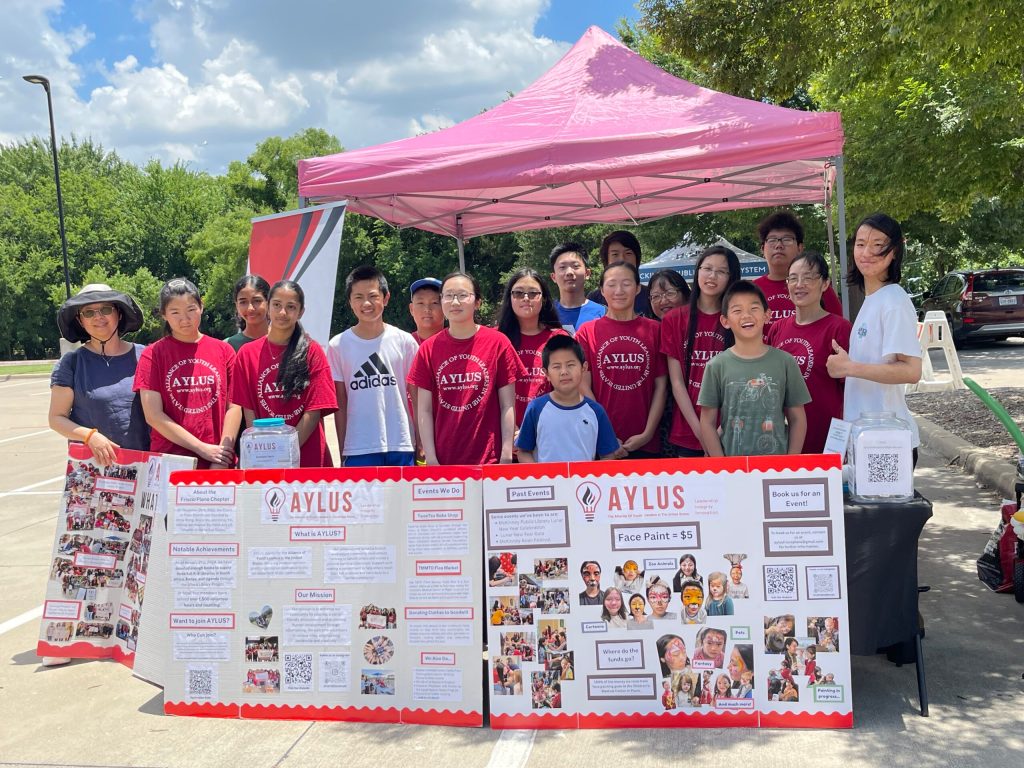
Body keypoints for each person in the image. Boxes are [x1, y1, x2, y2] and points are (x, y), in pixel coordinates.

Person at [827, 212, 923, 463]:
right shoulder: (874, 299)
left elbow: (911, 371)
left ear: (894, 252)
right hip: (869, 438)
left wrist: (850, 367)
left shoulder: (893, 300)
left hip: (888, 441)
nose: (866, 252)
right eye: (860, 244)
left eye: (878, 245)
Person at [408, 272, 524, 465]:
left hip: (491, 459)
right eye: (448, 295)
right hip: (444, 462)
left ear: (477, 302)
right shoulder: (428, 349)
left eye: (463, 295)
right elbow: (425, 410)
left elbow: (507, 405)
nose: (455, 302)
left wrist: (505, 455)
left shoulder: (498, 343)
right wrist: (431, 458)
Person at [134, 278, 239, 468]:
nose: (185, 319)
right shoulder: (153, 354)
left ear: (201, 306)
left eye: (191, 310)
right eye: (175, 312)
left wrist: (223, 455)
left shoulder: (224, 351)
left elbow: (235, 406)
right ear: (164, 314)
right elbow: (153, 415)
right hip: (171, 462)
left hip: (218, 460)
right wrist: (201, 448)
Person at [698, 281, 810, 457]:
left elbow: (797, 418)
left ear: (767, 315)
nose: (746, 315)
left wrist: (791, 462)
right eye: (737, 310)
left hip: (777, 469)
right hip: (732, 470)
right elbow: (707, 421)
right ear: (725, 321)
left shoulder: (786, 362)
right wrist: (721, 465)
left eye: (754, 308)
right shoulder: (716, 366)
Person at [232, 280, 337, 467]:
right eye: (277, 305)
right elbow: (250, 412)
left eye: (291, 307)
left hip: (307, 459)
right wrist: (267, 454)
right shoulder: (246, 354)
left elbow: (313, 413)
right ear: (268, 306)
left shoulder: (312, 352)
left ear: (301, 311)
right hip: (264, 461)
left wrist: (286, 453)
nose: (282, 312)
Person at [49, 284, 150, 466]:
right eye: (88, 312)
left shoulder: (146, 356)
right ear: (80, 321)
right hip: (96, 468)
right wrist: (90, 436)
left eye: (105, 309)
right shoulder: (71, 364)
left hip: (144, 464)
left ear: (119, 314)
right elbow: (56, 418)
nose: (98, 317)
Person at [327, 266, 418, 466]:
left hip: (401, 443)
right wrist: (343, 449)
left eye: (373, 296)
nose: (366, 303)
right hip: (358, 448)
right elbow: (339, 404)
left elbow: (417, 398)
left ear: (385, 298)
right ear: (350, 302)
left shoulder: (405, 342)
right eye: (358, 297)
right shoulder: (338, 346)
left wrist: (420, 442)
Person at [576, 261, 667, 458]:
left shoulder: (654, 330)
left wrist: (648, 433)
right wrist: (607, 435)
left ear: (637, 288)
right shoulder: (587, 332)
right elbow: (583, 387)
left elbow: (661, 386)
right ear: (601, 290)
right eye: (611, 284)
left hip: (647, 442)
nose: (619, 290)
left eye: (626, 283)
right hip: (601, 440)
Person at [766, 251, 853, 453]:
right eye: (793, 278)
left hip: (825, 439)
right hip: (782, 439)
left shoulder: (839, 328)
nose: (799, 284)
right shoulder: (777, 329)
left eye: (808, 277)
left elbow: (851, 389)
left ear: (824, 284)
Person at [661, 246, 742, 456]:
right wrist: (703, 433)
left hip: (732, 430)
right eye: (707, 268)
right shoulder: (674, 319)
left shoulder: (737, 319)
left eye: (721, 271)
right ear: (697, 272)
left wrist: (717, 434)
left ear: (731, 277)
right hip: (688, 430)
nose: (712, 276)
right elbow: (677, 382)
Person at [515, 335, 619, 463]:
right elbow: (524, 452)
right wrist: (540, 478)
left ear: (584, 368)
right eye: (556, 366)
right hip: (548, 482)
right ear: (546, 373)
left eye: (570, 365)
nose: (564, 372)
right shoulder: (536, 408)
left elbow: (608, 456)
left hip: (583, 483)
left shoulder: (596, 411)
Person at [495, 268, 569, 430]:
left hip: (549, 432)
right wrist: (510, 431)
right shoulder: (496, 338)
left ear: (543, 299)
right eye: (519, 293)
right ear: (510, 298)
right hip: (505, 435)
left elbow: (567, 390)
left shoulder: (559, 338)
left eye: (533, 293)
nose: (526, 298)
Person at [753, 210, 843, 336]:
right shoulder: (752, 290)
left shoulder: (818, 287)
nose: (779, 245)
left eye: (787, 239)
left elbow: (837, 328)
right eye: (772, 240)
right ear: (763, 249)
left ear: (800, 248)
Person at [586, 231, 653, 316]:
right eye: (615, 254)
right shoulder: (595, 298)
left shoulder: (650, 295)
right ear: (606, 260)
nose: (622, 259)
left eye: (628, 253)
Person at [549, 242, 606, 334]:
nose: (569, 272)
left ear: (587, 273)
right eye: (562, 267)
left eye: (575, 266)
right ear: (553, 277)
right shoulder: (546, 314)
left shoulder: (604, 313)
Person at [224, 275, 270, 351]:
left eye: (257, 301)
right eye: (243, 302)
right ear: (237, 305)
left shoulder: (286, 342)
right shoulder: (228, 346)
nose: (250, 308)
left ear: (269, 303)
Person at [408, 277, 444, 345]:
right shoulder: (404, 345)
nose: (427, 309)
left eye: (434, 303)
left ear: (445, 308)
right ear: (411, 309)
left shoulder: (457, 342)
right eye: (420, 303)